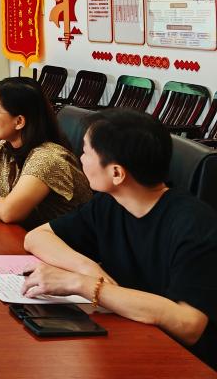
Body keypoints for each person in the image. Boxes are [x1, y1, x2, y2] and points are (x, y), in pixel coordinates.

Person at [23, 110, 217, 370]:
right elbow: (37, 237)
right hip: (128, 338)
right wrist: (87, 268)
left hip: (180, 361)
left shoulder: (195, 224)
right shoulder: (110, 204)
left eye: (86, 152)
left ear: (116, 173)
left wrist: (82, 284)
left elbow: (189, 324)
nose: (80, 159)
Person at [0, 76, 90, 226]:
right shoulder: (5, 147)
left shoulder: (47, 158)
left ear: (19, 121)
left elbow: (8, 212)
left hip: (58, 239)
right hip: (23, 234)